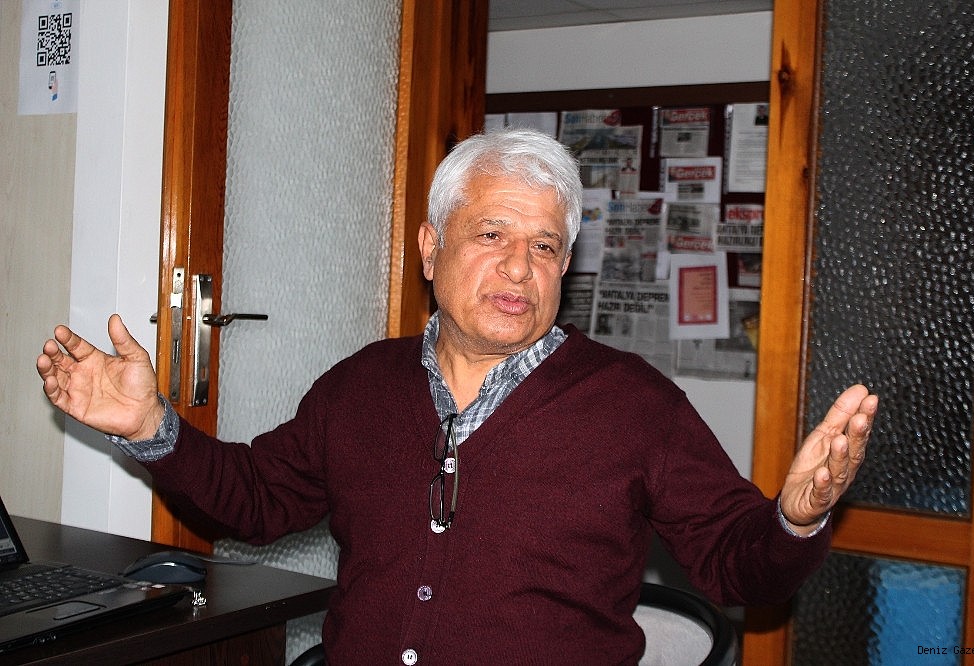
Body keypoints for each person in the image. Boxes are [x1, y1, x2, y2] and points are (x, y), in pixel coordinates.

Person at [37, 128, 878, 664]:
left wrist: (795, 518)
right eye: (492, 234)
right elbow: (255, 500)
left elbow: (738, 561)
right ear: (430, 248)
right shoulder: (362, 385)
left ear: (565, 266)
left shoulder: (634, 407)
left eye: (544, 246)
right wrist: (149, 426)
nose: (519, 266)